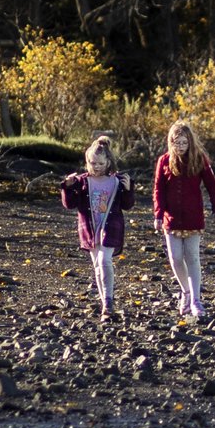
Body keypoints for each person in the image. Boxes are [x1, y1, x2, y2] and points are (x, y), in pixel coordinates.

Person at [151, 114, 215, 321]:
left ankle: (196, 299)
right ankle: (185, 291)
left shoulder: (199, 160)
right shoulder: (164, 161)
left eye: (184, 143)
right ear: (171, 142)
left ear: (190, 142)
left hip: (193, 217)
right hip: (171, 217)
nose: (180, 147)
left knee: (192, 257)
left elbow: (212, 185)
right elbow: (158, 189)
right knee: (174, 257)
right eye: (177, 143)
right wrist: (158, 214)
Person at [58, 131, 129, 322]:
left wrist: (129, 188)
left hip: (111, 226)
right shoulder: (82, 181)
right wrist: (68, 187)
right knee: (97, 263)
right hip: (90, 228)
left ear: (108, 162)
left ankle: (108, 301)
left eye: (100, 163)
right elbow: (70, 204)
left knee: (105, 260)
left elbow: (128, 205)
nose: (95, 167)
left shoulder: (117, 181)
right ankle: (104, 299)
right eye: (92, 163)